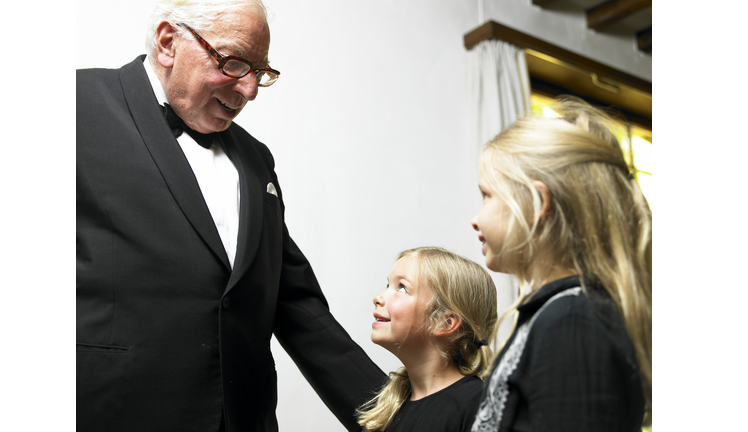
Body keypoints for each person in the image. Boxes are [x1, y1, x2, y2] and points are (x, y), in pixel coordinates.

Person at [76, 1, 386, 431]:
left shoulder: (256, 159)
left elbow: (294, 302)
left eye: (259, 72)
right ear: (168, 42)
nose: (250, 90)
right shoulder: (74, 105)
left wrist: (399, 416)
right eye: (234, 62)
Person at [469, 96, 652, 431]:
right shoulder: (553, 314)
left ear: (537, 203)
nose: (475, 219)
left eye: (486, 195)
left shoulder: (573, 321)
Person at [357, 247, 498, 432]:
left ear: (445, 322)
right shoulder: (392, 408)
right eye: (387, 286)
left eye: (402, 287)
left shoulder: (477, 404)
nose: (378, 298)